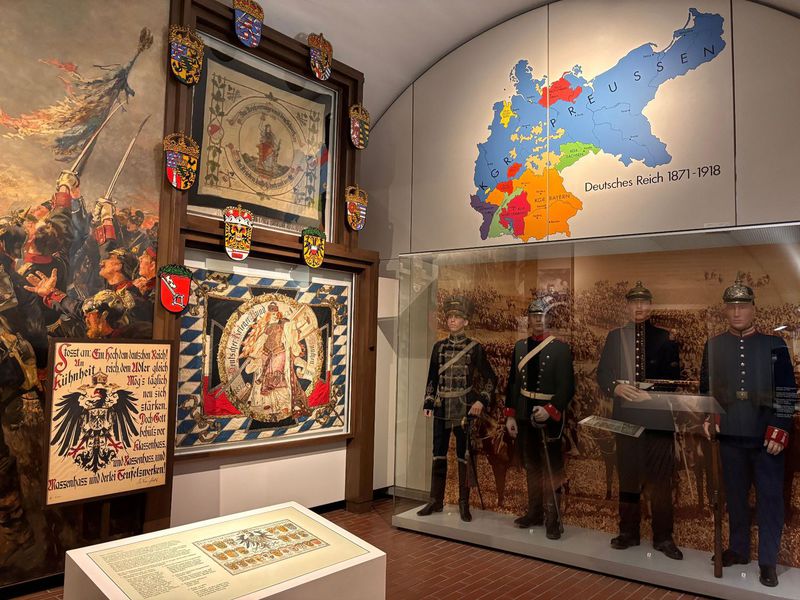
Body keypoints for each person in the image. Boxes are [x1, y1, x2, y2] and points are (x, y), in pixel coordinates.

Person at [700, 279, 796, 588]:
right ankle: (739, 549)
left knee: (770, 499)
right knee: (735, 496)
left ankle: (767, 561)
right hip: (730, 434)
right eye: (732, 307)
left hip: (765, 436)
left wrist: (780, 427)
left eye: (742, 306)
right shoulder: (714, 345)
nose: (737, 312)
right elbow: (707, 389)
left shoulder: (774, 344)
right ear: (725, 310)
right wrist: (709, 416)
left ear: (753, 309)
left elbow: (787, 391)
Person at [597, 281, 683, 560]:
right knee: (628, 477)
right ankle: (628, 532)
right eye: (634, 302)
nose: (639, 307)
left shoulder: (666, 337)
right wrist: (616, 388)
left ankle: (663, 537)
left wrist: (653, 395)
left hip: (657, 418)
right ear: (627, 306)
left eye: (643, 302)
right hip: (626, 417)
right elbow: (602, 375)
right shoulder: (615, 337)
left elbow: (675, 379)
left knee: (660, 481)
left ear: (651, 306)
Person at [418, 297, 496, 522]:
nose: (452, 320)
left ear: (466, 321)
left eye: (457, 317)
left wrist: (481, 401)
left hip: (464, 409)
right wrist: (428, 402)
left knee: (464, 456)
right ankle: (435, 500)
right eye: (450, 317)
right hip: (441, 407)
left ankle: (464, 503)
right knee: (438, 454)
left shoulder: (475, 348)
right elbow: (432, 378)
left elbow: (491, 378)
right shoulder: (438, 347)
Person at [504, 298, 574, 538]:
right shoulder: (520, 347)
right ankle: (534, 512)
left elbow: (567, 387)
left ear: (549, 319)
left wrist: (550, 409)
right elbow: (513, 383)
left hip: (549, 416)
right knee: (532, 465)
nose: (538, 320)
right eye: (534, 316)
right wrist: (510, 415)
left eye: (542, 316)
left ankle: (553, 519)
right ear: (529, 319)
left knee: (552, 467)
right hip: (525, 413)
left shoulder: (560, 349)